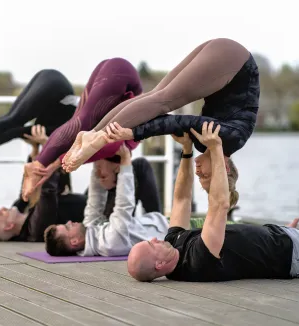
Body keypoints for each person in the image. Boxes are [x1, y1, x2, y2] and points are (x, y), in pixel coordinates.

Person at [127, 122, 299, 282]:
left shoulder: (174, 241)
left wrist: (186, 151)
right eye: (150, 245)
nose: (154, 238)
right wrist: (215, 148)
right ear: (159, 265)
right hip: (296, 254)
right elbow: (219, 205)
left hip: (281, 238)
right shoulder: (196, 262)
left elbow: (182, 199)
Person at [61, 38, 260, 188]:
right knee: (163, 100)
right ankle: (96, 140)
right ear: (224, 168)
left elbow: (170, 123)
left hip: (226, 55)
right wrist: (134, 134)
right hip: (235, 62)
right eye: (205, 176)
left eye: (199, 177)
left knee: (155, 96)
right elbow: (182, 121)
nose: (198, 172)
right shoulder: (232, 139)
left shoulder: (204, 144)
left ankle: (92, 133)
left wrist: (137, 131)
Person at [21, 58, 142, 201]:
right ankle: (37, 165)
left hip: (112, 70)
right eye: (102, 175)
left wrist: (50, 167)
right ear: (117, 169)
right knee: (82, 121)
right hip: (121, 72)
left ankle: (37, 166)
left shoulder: (112, 151)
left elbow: (83, 149)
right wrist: (50, 166)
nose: (97, 172)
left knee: (78, 123)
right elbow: (92, 149)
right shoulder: (126, 146)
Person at [43, 144, 168, 257]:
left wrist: (97, 157)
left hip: (156, 220)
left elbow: (95, 198)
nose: (69, 221)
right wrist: (125, 161)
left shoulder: (90, 231)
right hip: (167, 229)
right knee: (140, 165)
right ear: (75, 241)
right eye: (67, 226)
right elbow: (124, 205)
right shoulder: (110, 243)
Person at [0, 125, 87, 242]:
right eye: (1, 213)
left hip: (85, 199)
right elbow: (47, 189)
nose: (3, 208)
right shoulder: (37, 227)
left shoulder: (21, 213)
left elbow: (27, 188)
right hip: (101, 209)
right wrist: (48, 145)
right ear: (9, 226)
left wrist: (35, 149)